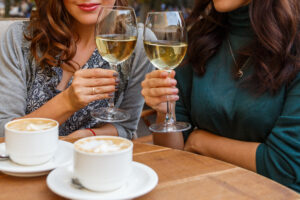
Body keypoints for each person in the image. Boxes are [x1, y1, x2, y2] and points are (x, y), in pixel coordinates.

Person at [141, 0, 300, 192]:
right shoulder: (200, 38)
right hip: (202, 189)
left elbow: (285, 166)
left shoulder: (294, 46)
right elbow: (173, 153)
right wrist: (165, 110)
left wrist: (200, 142)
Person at [0, 0, 152, 139]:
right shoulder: (18, 38)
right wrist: (67, 102)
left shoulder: (138, 43)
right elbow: (4, 133)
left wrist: (87, 135)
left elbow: (126, 128)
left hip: (95, 163)